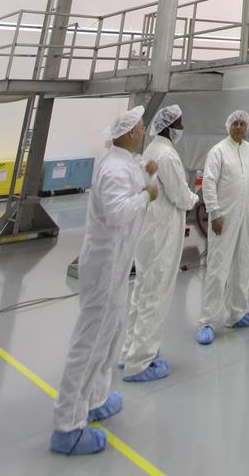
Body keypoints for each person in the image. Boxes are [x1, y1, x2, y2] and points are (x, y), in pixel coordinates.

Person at [50, 106, 158, 456]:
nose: (144, 132)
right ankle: (67, 425)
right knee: (90, 342)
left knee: (110, 336)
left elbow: (131, 175)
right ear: (128, 134)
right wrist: (146, 196)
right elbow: (117, 212)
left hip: (116, 266)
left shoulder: (124, 161)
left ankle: (95, 399)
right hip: (104, 266)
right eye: (141, 128)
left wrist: (147, 171)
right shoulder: (112, 167)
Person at [120, 104, 198, 382]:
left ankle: (129, 350)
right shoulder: (167, 155)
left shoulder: (151, 150)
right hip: (163, 230)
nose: (182, 128)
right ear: (169, 126)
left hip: (147, 230)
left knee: (142, 290)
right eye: (179, 123)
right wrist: (195, 200)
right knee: (156, 293)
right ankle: (141, 361)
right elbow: (179, 194)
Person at [196, 109, 249, 344]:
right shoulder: (219, 151)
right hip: (224, 217)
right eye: (235, 123)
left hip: (244, 217)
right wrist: (214, 213)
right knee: (218, 267)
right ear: (228, 126)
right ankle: (208, 320)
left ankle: (237, 312)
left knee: (243, 264)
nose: (239, 127)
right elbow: (209, 183)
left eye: (243, 124)